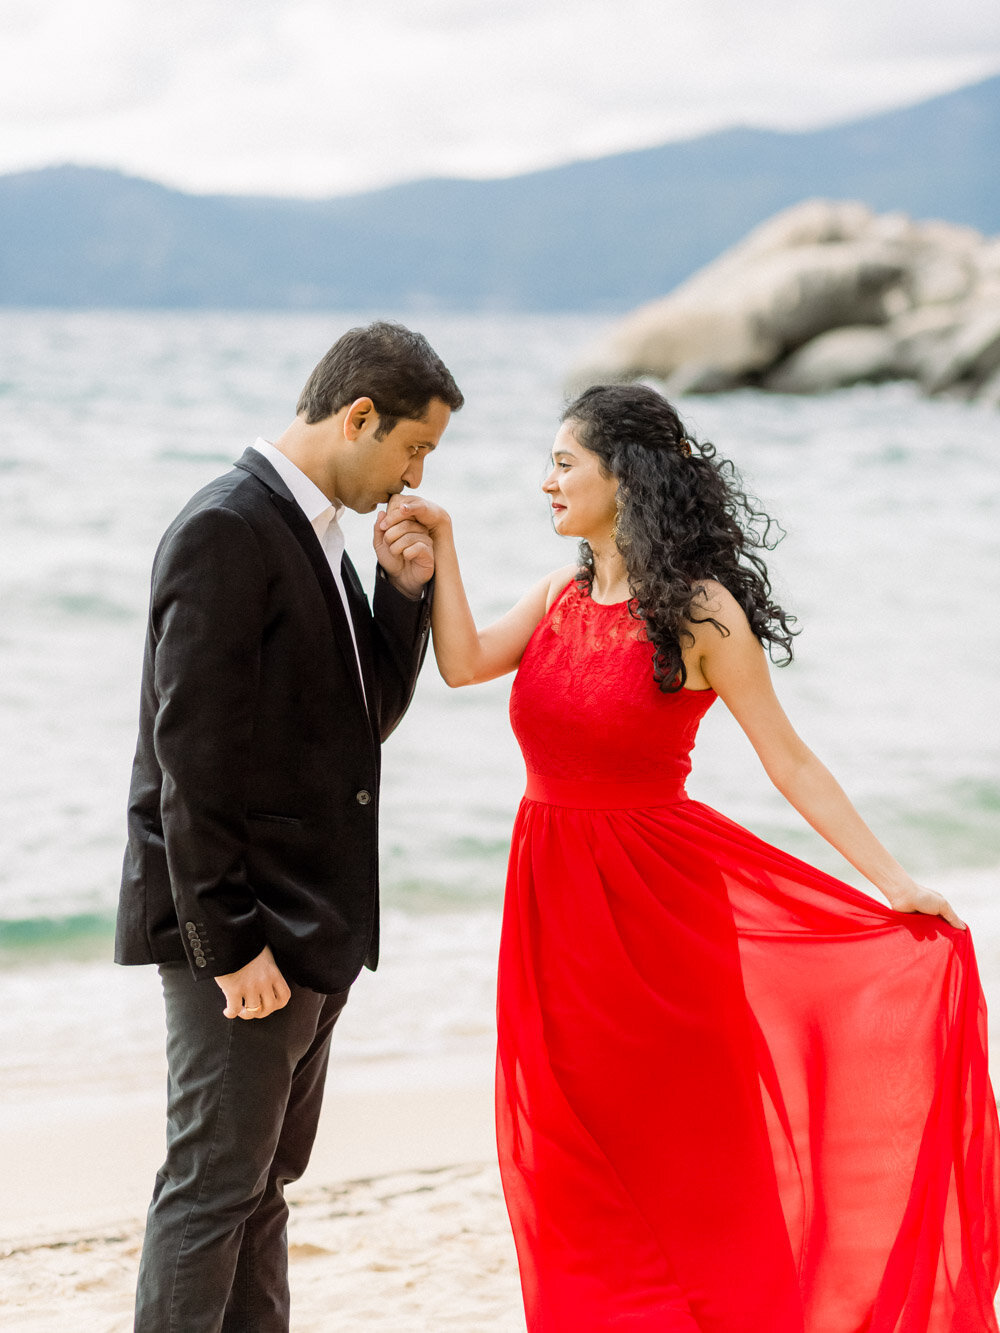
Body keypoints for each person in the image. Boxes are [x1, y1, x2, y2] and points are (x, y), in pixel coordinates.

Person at [379, 382, 1000, 1332]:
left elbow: (789, 760)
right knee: (569, 1156)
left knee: (689, 1166)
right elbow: (462, 664)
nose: (545, 481)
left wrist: (896, 883)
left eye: (563, 463)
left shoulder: (701, 614)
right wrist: (442, 554)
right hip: (554, 918)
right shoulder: (558, 593)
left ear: (621, 476)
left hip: (660, 925)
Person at [115, 321, 463, 1332]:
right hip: (246, 927)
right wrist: (225, 944)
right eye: (412, 447)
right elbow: (189, 762)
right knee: (214, 1184)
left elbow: (353, 729)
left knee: (262, 1182)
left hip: (309, 923)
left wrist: (401, 597)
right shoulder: (228, 524)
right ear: (358, 415)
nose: (414, 474)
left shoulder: (313, 530)